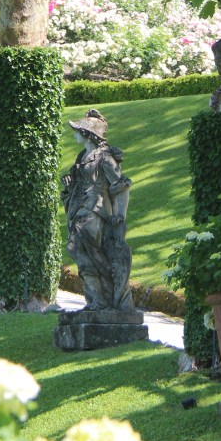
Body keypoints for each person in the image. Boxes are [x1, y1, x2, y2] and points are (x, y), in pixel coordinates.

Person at [60, 108, 134, 312]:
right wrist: (69, 183)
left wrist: (120, 215)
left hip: (96, 208)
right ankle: (96, 299)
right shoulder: (82, 156)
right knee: (76, 249)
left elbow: (121, 185)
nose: (74, 134)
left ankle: (106, 291)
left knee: (85, 249)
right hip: (79, 207)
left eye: (77, 130)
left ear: (87, 133)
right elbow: (78, 182)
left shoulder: (104, 157)